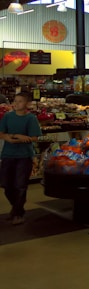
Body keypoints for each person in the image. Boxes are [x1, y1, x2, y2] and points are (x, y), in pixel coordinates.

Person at [0, 92, 42, 225]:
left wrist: (18, 138)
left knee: (20, 185)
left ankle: (18, 213)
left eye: (20, 101)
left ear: (27, 104)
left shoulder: (31, 118)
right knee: (6, 185)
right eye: (15, 101)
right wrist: (16, 136)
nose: (16, 103)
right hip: (7, 154)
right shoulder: (8, 116)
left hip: (24, 156)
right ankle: (17, 208)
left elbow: (34, 137)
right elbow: (2, 133)